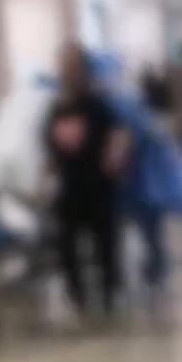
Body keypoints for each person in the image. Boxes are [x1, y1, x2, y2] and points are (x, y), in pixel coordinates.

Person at [44, 43, 128, 317]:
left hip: (99, 186)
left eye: (73, 66)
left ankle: (109, 295)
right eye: (64, 67)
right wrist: (47, 175)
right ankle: (77, 296)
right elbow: (49, 145)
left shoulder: (99, 104)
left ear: (84, 69)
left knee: (105, 244)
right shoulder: (56, 107)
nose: (68, 73)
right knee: (66, 244)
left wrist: (115, 156)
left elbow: (119, 134)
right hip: (70, 187)